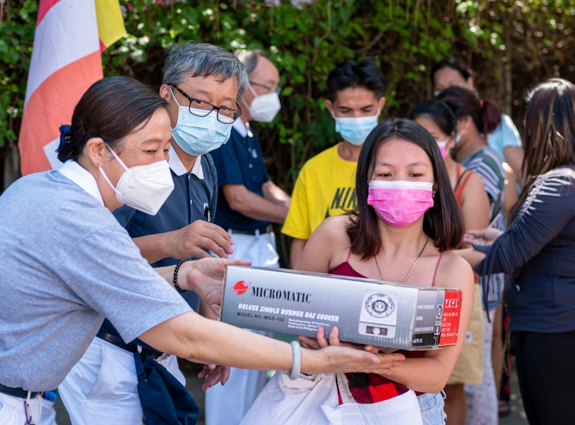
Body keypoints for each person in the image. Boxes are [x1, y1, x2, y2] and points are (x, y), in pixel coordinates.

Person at [0, 77, 404, 425]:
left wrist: (185, 274)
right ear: (99, 151)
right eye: (151, 150)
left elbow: (102, 282)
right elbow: (183, 336)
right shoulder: (80, 222)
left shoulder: (38, 190)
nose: (163, 165)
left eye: (165, 150)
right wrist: (310, 361)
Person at [58, 43, 243, 423]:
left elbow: (203, 262)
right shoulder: (134, 166)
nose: (212, 116)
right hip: (109, 348)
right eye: (200, 102)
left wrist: (214, 341)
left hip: (164, 348)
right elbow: (88, 256)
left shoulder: (207, 165)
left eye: (225, 108)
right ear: (166, 93)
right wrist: (170, 242)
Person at [297, 118, 474, 424]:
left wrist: (369, 362)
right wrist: (313, 342)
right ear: (366, 180)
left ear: (435, 184)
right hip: (324, 402)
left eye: (415, 173)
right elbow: (297, 315)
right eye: (385, 173)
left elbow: (437, 374)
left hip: (413, 411)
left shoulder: (453, 271)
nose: (400, 183)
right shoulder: (333, 236)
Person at [461, 79, 575, 425]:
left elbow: (503, 257)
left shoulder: (559, 184)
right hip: (568, 322)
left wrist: (430, 257)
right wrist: (502, 235)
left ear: (539, 125)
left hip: (554, 328)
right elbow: (547, 241)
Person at [206, 49, 291, 424]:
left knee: (261, 348)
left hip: (260, 246)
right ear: (242, 86)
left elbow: (265, 186)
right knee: (233, 350)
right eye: (267, 86)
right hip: (234, 245)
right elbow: (238, 197)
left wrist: (299, 209)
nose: (272, 94)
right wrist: (296, 218)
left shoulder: (247, 131)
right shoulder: (223, 132)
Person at [412, 100, 489, 425]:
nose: (427, 144)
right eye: (419, 135)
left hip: (451, 295)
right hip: (405, 290)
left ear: (452, 137)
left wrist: (422, 261)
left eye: (433, 135)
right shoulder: (401, 184)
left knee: (449, 385)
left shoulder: (468, 182)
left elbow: (478, 251)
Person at [437, 86, 505, 425]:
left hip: (479, 281)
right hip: (470, 278)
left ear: (461, 124)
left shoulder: (481, 166)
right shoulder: (469, 161)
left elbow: (470, 236)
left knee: (475, 377)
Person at [283, 57, 386, 268]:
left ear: (380, 106)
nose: (356, 118)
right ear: (330, 108)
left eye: (366, 110)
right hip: (324, 288)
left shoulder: (396, 167)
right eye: (346, 111)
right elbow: (300, 240)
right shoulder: (313, 170)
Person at [431, 57, 524, 177]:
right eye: (439, 89)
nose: (446, 92)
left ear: (469, 83)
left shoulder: (499, 123)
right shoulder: (439, 127)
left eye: (452, 85)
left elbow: (521, 173)